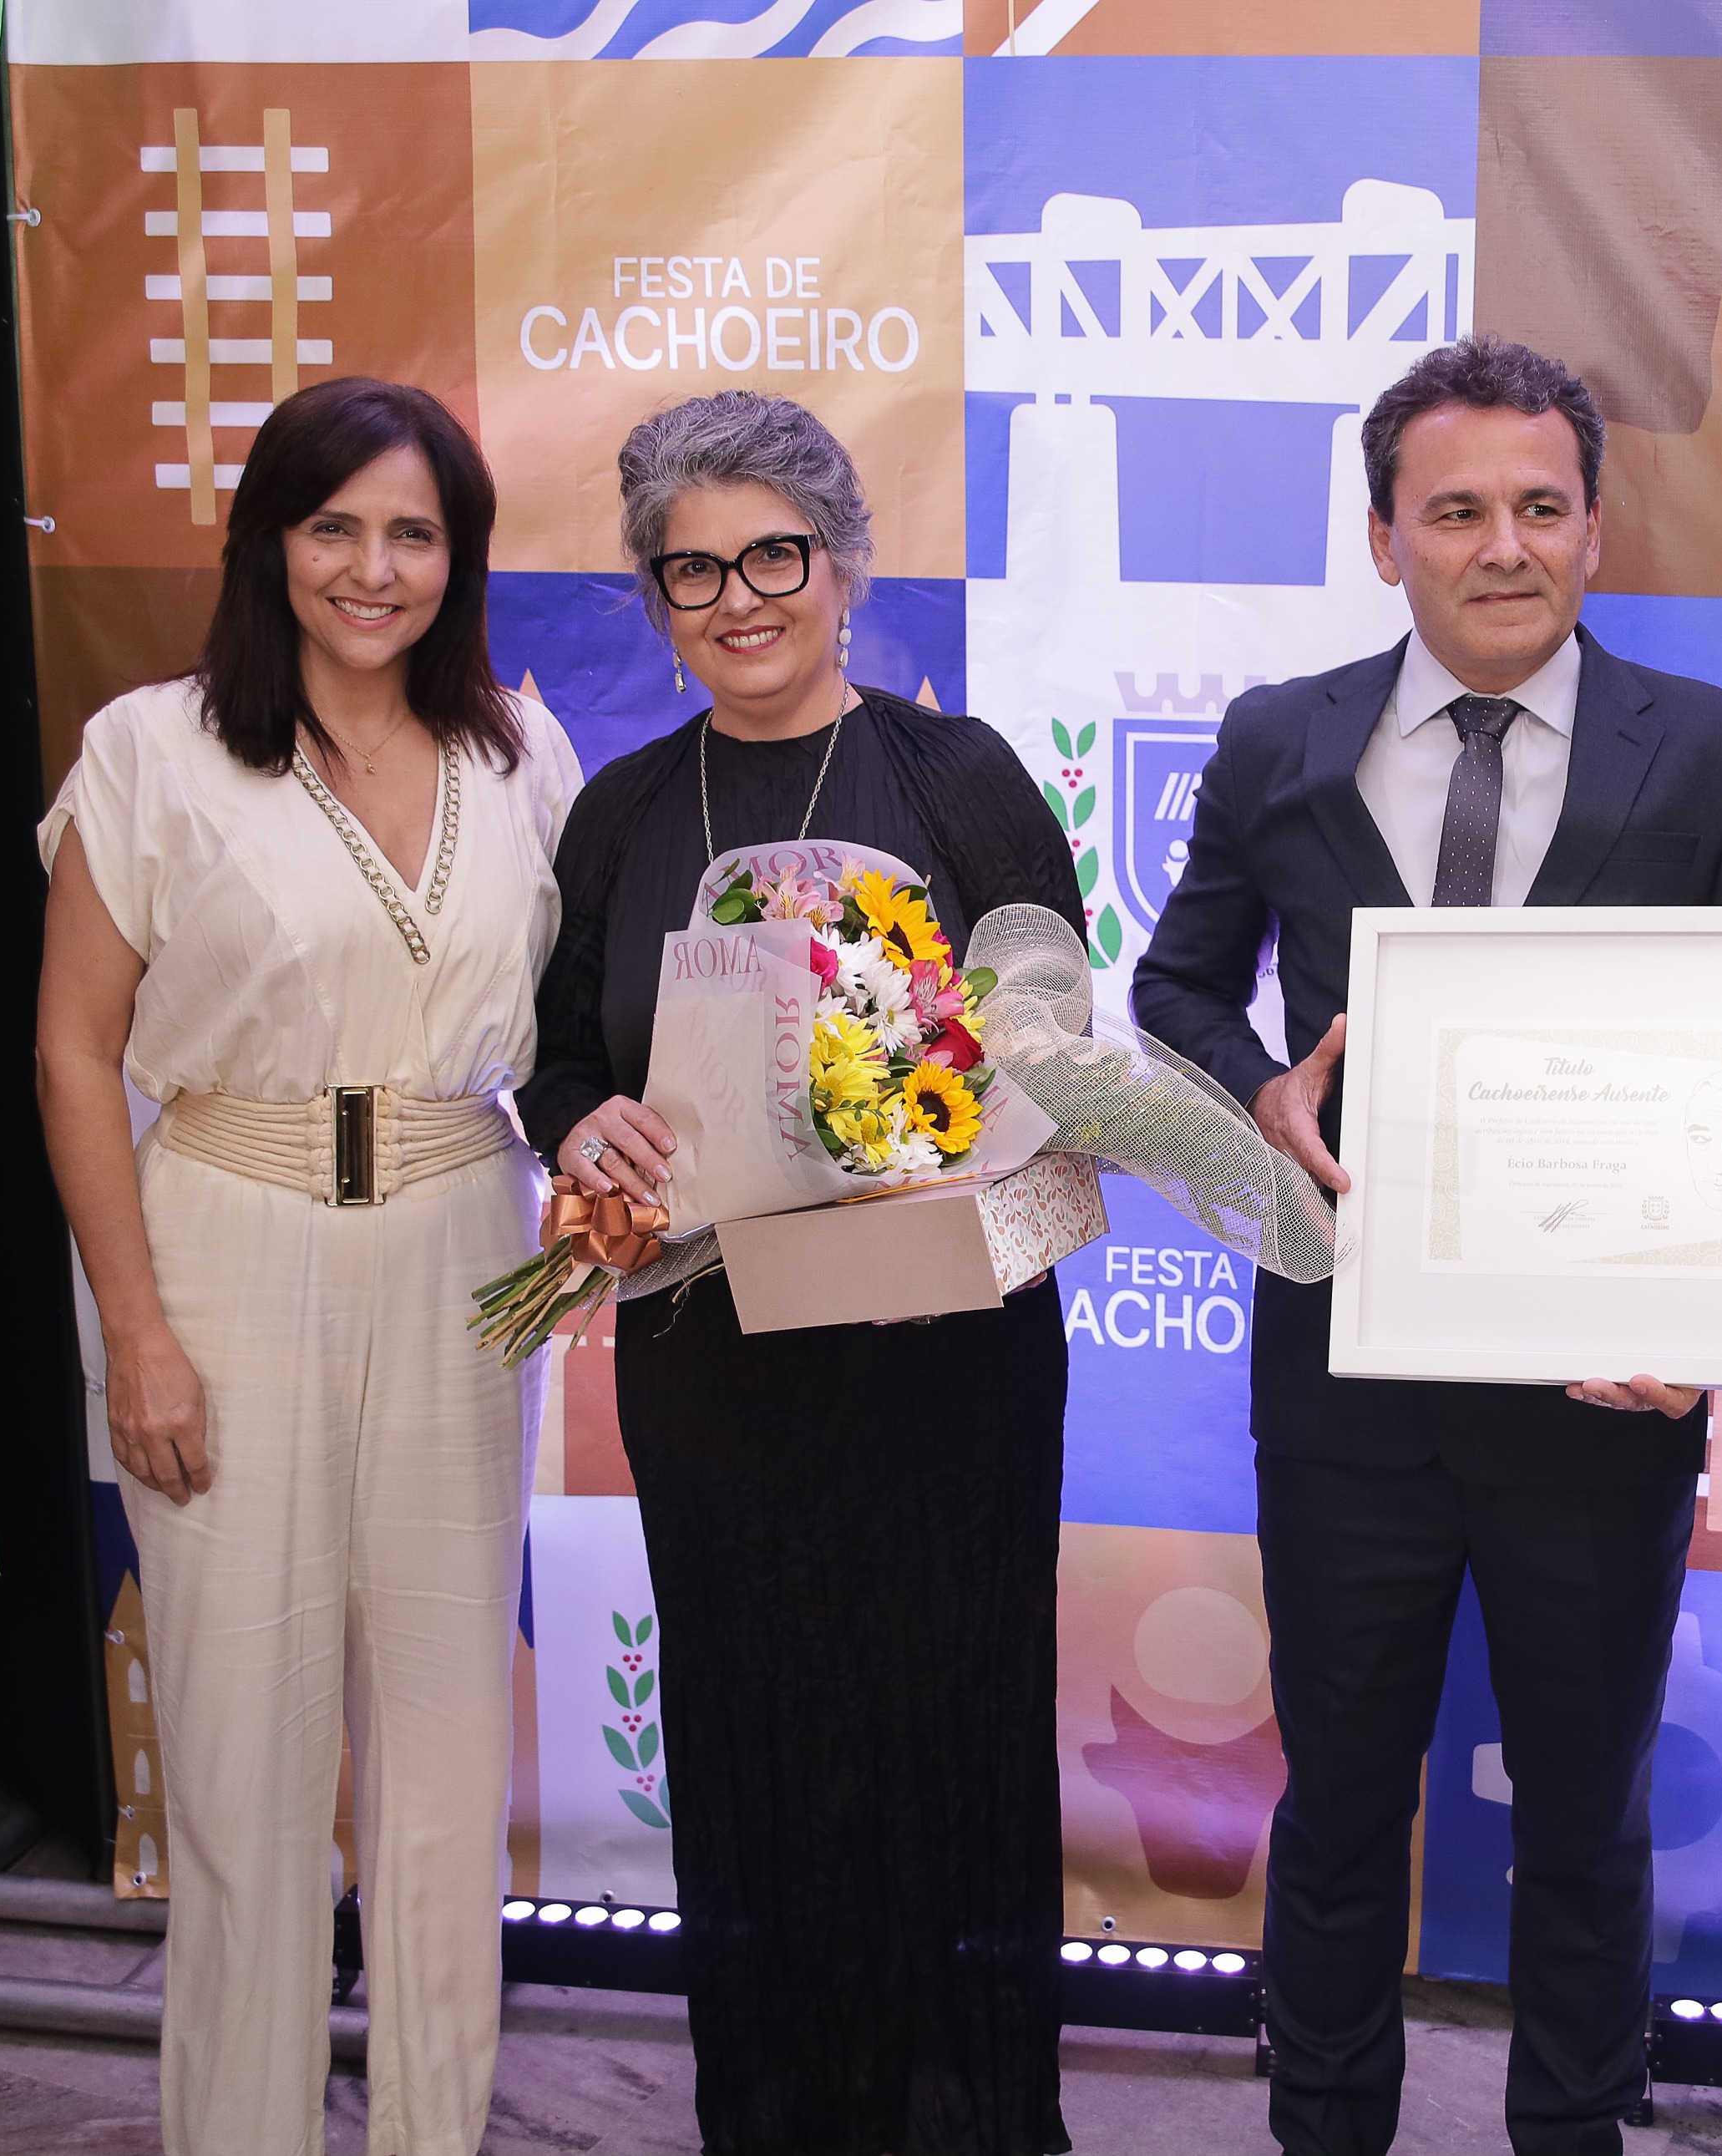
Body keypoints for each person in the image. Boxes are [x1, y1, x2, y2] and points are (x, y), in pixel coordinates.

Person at [1131, 337, 1722, 2156]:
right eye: (1453, 512)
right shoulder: (1278, 737)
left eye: (1537, 507)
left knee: (1585, 1816)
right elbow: (1176, 985)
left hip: (1601, 1392)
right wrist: (1260, 1089)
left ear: (1593, 528)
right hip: (1345, 1380)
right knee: (1340, 1802)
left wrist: (1720, 1313)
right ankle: (1324, 2126)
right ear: (1384, 539)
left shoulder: (1716, 752)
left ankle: (1572, 2132)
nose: (1500, 545)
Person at [517, 390, 1081, 2156]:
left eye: (774, 555)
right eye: (692, 571)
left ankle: (973, 2115)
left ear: (842, 567)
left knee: (950, 1726)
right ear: (655, 600)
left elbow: (1056, 1048)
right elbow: (557, 1060)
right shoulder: (621, 814)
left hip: (948, 1357)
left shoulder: (960, 777)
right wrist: (588, 1134)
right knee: (755, 1735)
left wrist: (944, 1110)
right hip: (721, 1369)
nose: (739, 599)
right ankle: (779, 2115)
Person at [35, 376, 581, 2156]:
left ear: (460, 556)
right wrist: (135, 1330)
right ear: (269, 540)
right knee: (241, 1765)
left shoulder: (525, 752)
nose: (373, 567)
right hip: (224, 1240)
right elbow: (71, 1051)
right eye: (333, 525)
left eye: (414, 532)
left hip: (466, 1245)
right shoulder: (154, 749)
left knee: (445, 1758)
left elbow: (579, 1038)